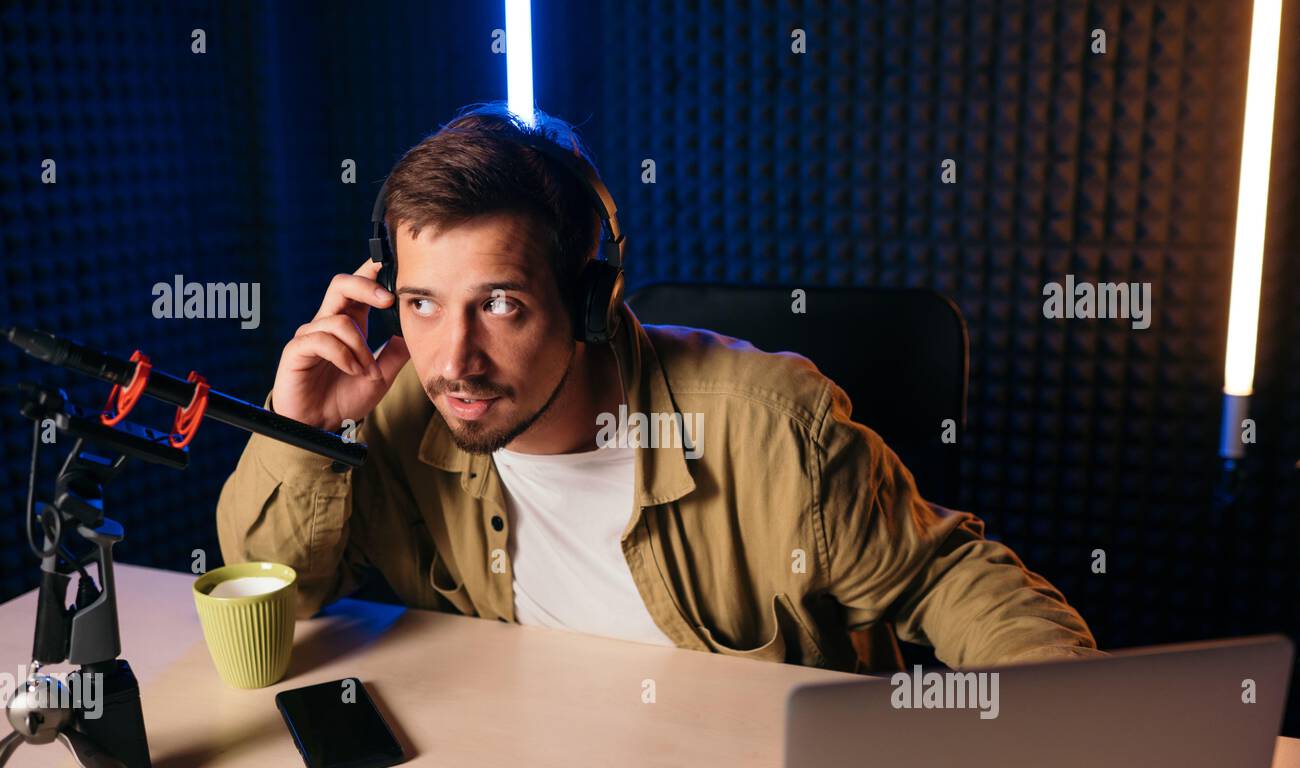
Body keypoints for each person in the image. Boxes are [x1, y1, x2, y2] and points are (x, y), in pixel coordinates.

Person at [217, 101, 1102, 671]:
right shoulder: (396, 408)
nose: (455, 358)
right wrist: (301, 437)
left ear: (592, 301)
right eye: (420, 302)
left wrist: (1057, 731)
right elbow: (282, 602)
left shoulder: (773, 429)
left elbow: (950, 581)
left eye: (499, 304)